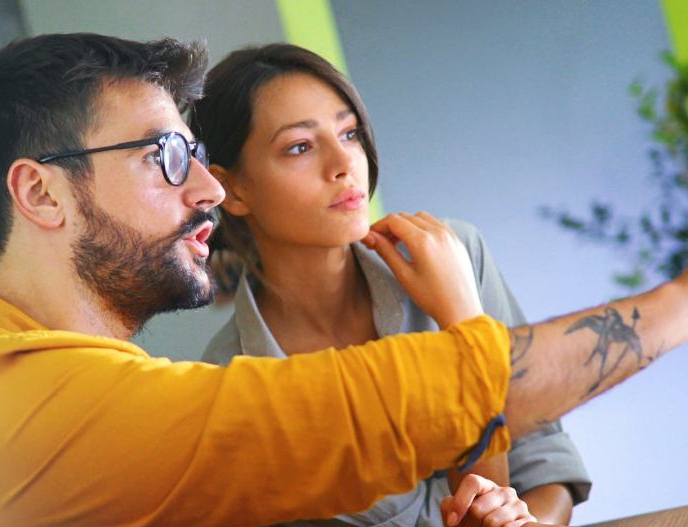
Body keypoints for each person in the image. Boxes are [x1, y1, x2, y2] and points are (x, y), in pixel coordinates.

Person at [0, 32, 688, 527]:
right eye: (164, 157)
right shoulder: (12, 408)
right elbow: (352, 411)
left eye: (197, 155)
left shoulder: (58, 385)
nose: (202, 187)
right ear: (39, 192)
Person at [194, 43, 589, 526]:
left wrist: (531, 523)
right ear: (232, 189)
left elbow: (543, 459)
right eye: (300, 146)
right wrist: (465, 326)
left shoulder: (456, 254)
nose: (344, 163)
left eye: (349, 132)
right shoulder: (228, 394)